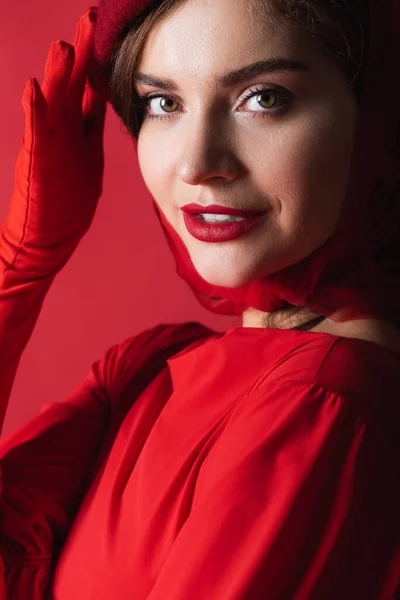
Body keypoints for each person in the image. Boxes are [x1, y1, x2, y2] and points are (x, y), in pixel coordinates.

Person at [0, 0, 399, 598]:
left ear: (376, 116)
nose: (195, 163)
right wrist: (22, 266)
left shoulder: (325, 401)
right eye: (163, 103)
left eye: (264, 97)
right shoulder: (149, 368)